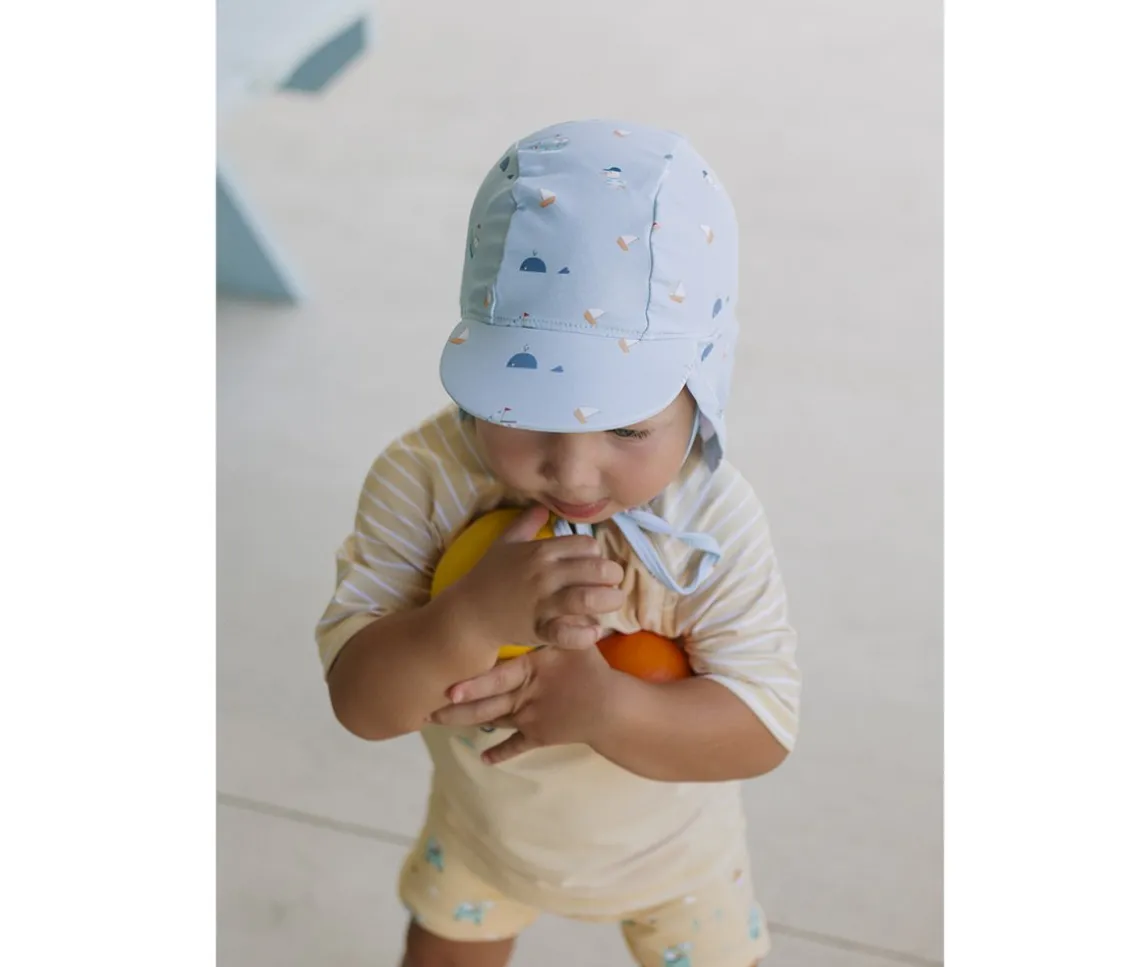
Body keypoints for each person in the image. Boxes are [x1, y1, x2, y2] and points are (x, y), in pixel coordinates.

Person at [317, 119, 801, 967]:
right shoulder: (425, 481)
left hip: (678, 863)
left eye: (629, 426)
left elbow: (762, 728)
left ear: (703, 393)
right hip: (482, 839)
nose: (573, 471)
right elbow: (361, 703)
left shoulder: (708, 519)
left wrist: (609, 709)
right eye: (526, 409)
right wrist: (465, 620)